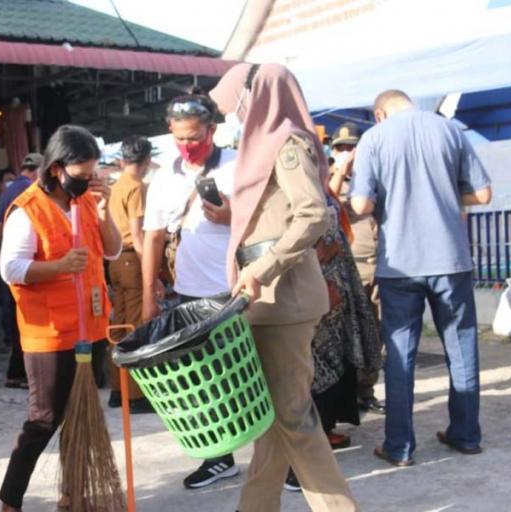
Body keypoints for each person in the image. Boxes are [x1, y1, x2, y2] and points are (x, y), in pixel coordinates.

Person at [210, 62, 358, 511]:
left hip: (283, 298)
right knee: (273, 421)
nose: (233, 116)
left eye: (235, 104)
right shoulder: (262, 147)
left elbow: (313, 214)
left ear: (255, 98)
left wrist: (265, 268)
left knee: (293, 418)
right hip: (267, 300)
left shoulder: (286, 143)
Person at [349, 90, 492, 466]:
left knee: (400, 356)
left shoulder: (373, 139)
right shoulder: (451, 131)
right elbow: (483, 193)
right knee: (461, 351)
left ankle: (399, 447)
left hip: (399, 265)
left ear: (379, 113)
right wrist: (446, 196)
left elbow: (361, 205)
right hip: (450, 260)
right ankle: (465, 435)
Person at [0, 125, 121, 512]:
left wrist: (104, 213)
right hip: (49, 336)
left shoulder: (86, 203)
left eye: (92, 175)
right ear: (55, 169)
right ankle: (10, 502)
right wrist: (61, 266)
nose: (87, 183)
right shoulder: (28, 210)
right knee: (43, 421)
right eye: (81, 176)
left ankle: (73, 495)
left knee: (79, 418)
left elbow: (113, 252)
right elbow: (11, 269)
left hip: (91, 329)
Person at [141, 90, 239, 489]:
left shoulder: (239, 165)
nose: (187, 146)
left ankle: (282, 457)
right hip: (189, 294)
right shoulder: (164, 177)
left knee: (259, 373)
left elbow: (269, 218)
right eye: (179, 138)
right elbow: (153, 237)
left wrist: (233, 213)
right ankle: (219, 457)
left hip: (240, 289)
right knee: (206, 380)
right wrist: (149, 295)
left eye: (195, 137)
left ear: (213, 130)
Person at [285, 193, 383, 493]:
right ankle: (298, 468)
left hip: (333, 287)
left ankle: (323, 435)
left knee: (334, 366)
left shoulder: (319, 189)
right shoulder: (291, 194)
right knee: (313, 374)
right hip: (314, 288)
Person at [327, 122, 385, 414]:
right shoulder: (328, 179)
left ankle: (367, 391)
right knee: (352, 335)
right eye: (341, 147)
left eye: (352, 147)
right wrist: (340, 169)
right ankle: (347, 397)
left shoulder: (370, 178)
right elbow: (328, 202)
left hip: (381, 265)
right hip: (352, 269)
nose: (348, 153)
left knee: (378, 334)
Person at [107, 135, 154, 414]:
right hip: (132, 261)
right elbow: (138, 236)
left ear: (123, 159)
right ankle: (135, 396)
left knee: (121, 327)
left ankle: (118, 390)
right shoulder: (137, 187)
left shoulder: (115, 186)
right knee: (137, 327)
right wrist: (151, 271)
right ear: (147, 161)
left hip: (115, 260)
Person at [0, 153, 42, 388]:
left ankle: (15, 373)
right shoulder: (30, 191)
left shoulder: (8, 190)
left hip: (8, 259)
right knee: (27, 321)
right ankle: (20, 374)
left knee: (14, 317)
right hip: (25, 263)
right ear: (37, 171)